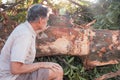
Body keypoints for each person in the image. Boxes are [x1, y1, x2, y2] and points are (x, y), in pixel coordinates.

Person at [0, 4, 63, 80]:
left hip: (13, 74)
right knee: (57, 71)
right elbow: (15, 69)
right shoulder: (24, 35)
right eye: (47, 19)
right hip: (11, 77)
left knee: (55, 68)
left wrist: (38, 31)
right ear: (40, 20)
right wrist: (43, 64)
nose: (47, 22)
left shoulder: (25, 28)